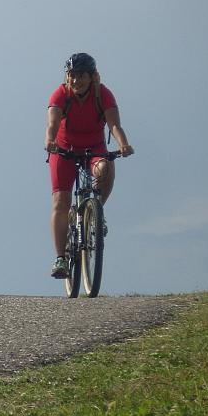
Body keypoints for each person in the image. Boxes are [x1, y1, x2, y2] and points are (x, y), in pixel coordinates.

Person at [45, 53, 134, 279]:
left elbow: (114, 125)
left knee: (106, 169)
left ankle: (96, 212)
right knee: (61, 202)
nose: (76, 81)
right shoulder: (61, 95)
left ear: (92, 76)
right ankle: (60, 258)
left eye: (81, 76)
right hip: (64, 151)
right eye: (72, 76)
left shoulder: (102, 94)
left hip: (94, 149)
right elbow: (52, 124)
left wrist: (123, 144)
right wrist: (50, 141)